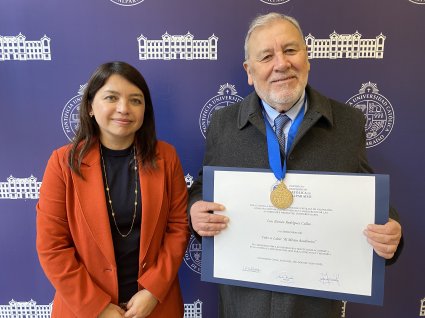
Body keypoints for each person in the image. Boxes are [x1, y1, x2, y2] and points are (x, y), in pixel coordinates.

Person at [188, 13, 403, 318]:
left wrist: (391, 229)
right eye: (266, 56)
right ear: (249, 71)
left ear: (307, 57)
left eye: (290, 50)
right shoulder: (223, 124)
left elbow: (367, 195)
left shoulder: (347, 123)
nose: (281, 64)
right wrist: (195, 210)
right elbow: (201, 188)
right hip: (244, 303)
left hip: (314, 305)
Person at [36, 61, 189, 318]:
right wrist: (97, 306)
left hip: (155, 306)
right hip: (84, 309)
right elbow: (52, 247)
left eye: (135, 100)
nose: (124, 109)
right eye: (111, 97)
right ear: (90, 107)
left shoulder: (167, 156)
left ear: (145, 110)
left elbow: (178, 228)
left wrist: (153, 291)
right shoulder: (63, 163)